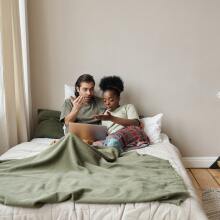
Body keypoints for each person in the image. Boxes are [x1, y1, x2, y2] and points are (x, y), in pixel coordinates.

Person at [94, 76, 149, 152]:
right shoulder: (104, 114)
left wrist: (111, 118)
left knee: (117, 137)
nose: (107, 103)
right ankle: (111, 147)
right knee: (95, 144)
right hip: (112, 138)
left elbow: (136, 123)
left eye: (111, 100)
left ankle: (112, 147)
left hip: (128, 133)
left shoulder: (128, 107)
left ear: (118, 98)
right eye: (105, 101)